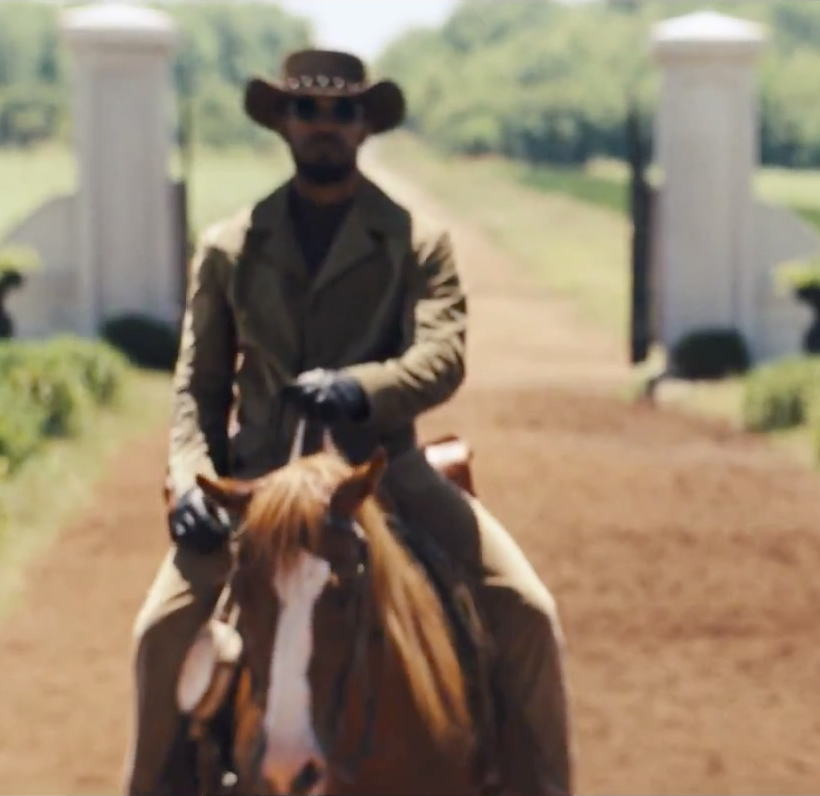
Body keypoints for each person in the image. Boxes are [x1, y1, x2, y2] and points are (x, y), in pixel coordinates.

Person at [122, 49, 573, 796]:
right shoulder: (230, 248)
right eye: (307, 109)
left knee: (527, 612)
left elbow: (442, 355)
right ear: (284, 122)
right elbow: (197, 388)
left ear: (365, 124)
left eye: (341, 110)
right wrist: (191, 481)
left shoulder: (415, 242)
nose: (323, 124)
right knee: (159, 632)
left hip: (383, 475)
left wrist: (360, 390)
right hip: (258, 487)